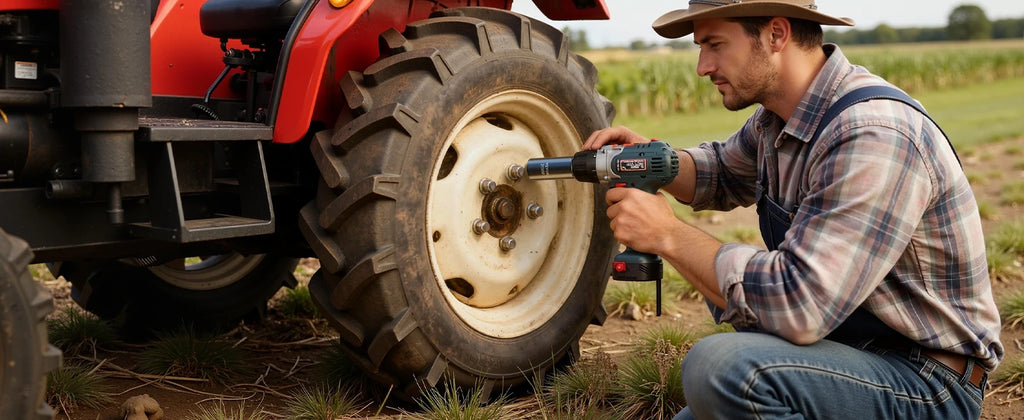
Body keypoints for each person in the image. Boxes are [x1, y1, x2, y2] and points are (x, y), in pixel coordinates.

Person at [583, 1, 1004, 418]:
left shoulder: (873, 135)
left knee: (723, 368)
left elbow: (800, 306)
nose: (702, 66)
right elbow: (722, 172)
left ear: (776, 35)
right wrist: (651, 159)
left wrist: (668, 235)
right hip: (845, 355)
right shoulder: (778, 120)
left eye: (714, 44)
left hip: (925, 381)